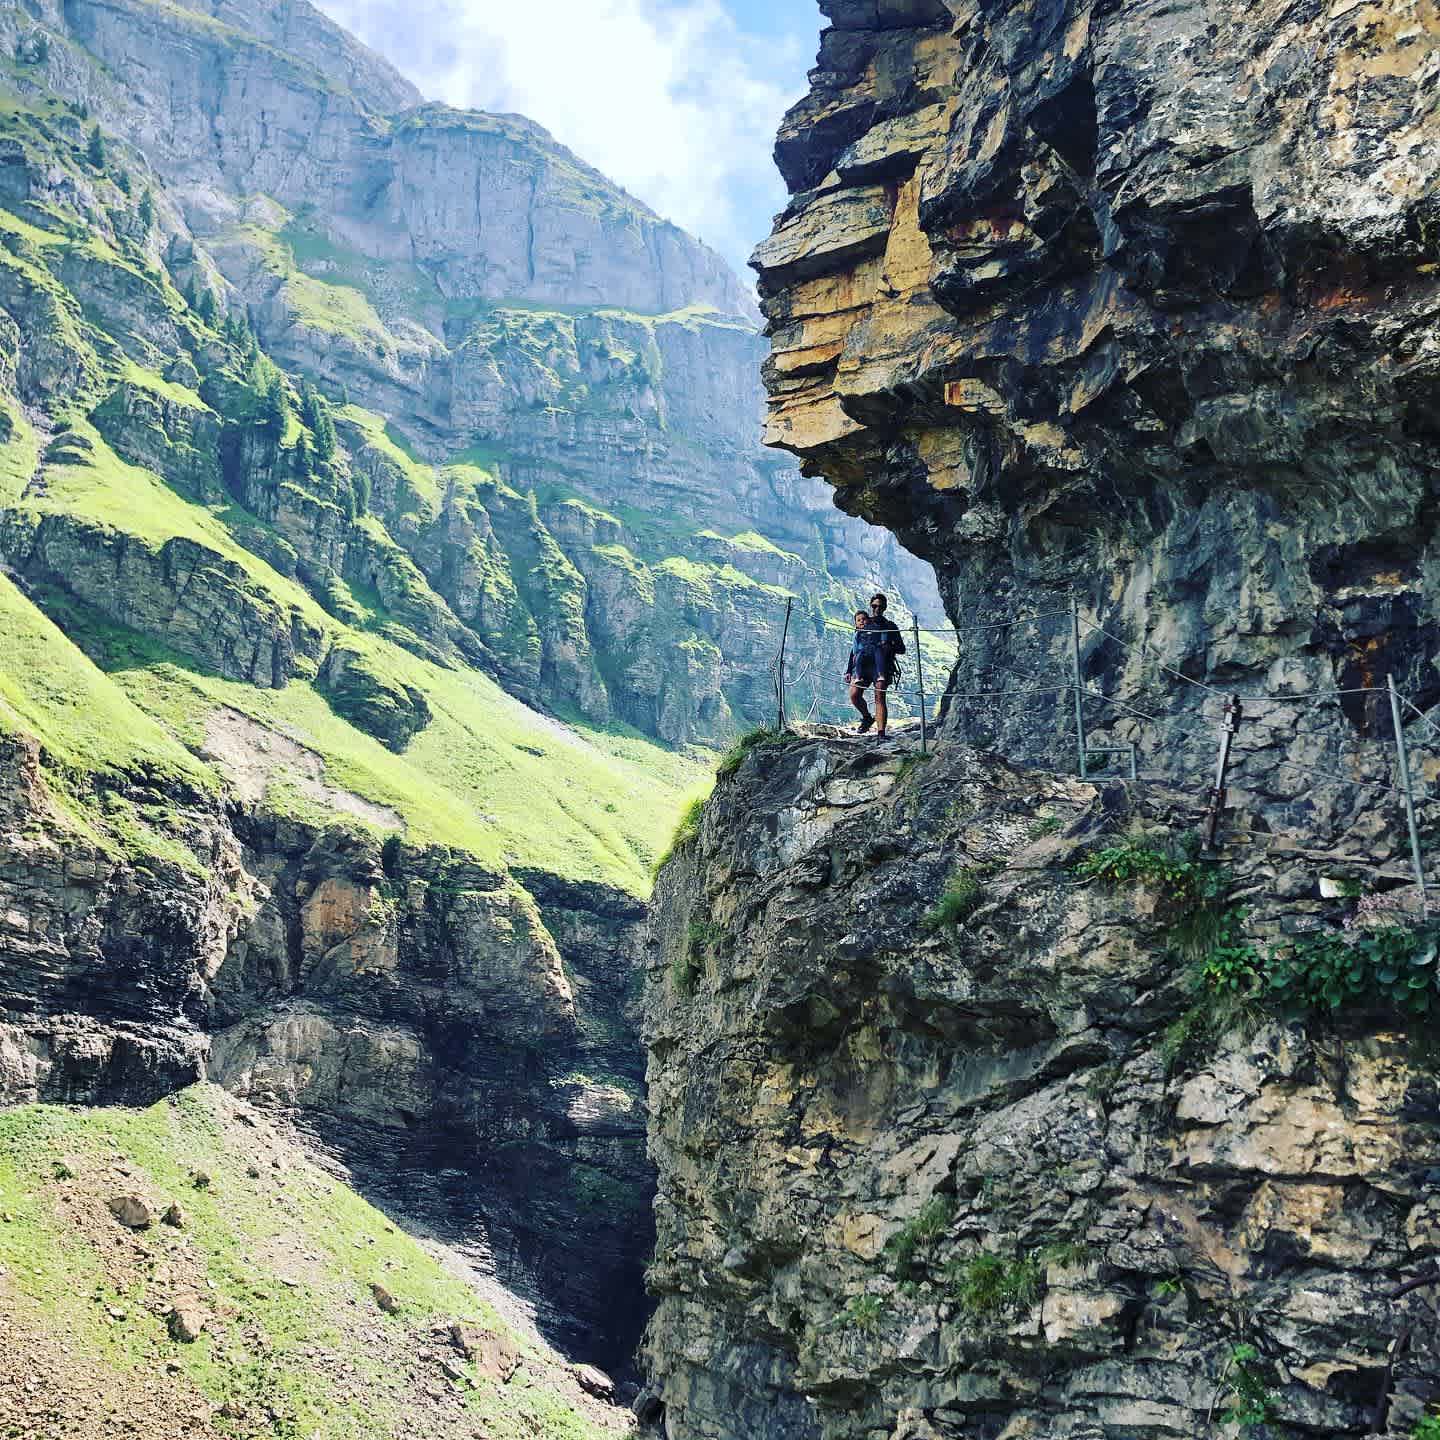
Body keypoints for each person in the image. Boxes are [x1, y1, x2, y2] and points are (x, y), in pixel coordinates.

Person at [845, 593, 906, 737]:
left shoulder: (890, 626)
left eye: (880, 606)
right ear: (871, 606)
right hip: (863, 665)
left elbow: (901, 649)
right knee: (854, 695)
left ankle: (881, 733)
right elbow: (855, 648)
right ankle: (867, 718)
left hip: (882, 666)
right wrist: (848, 670)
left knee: (879, 696)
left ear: (885, 607)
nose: (877, 608)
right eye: (874, 606)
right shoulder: (864, 622)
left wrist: (889, 645)